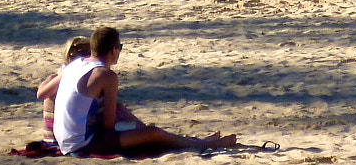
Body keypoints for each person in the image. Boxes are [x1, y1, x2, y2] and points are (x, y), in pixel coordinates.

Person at [53, 27, 235, 156]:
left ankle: (197, 141)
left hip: (65, 138)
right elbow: (108, 127)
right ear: (114, 50)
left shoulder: (77, 63)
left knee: (131, 119)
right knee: (154, 133)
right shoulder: (106, 75)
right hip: (82, 143)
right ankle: (202, 145)